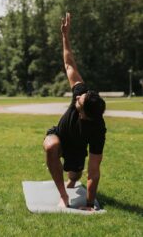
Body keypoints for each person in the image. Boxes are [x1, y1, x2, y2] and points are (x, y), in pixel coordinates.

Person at [43, 13, 106, 211]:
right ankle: (63, 195)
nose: (77, 97)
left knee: (75, 176)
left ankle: (70, 182)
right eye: (80, 96)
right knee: (51, 146)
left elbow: (94, 172)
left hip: (77, 150)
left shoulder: (97, 131)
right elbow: (69, 64)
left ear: (84, 114)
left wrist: (89, 204)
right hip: (59, 135)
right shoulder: (81, 92)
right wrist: (65, 36)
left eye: (80, 101)